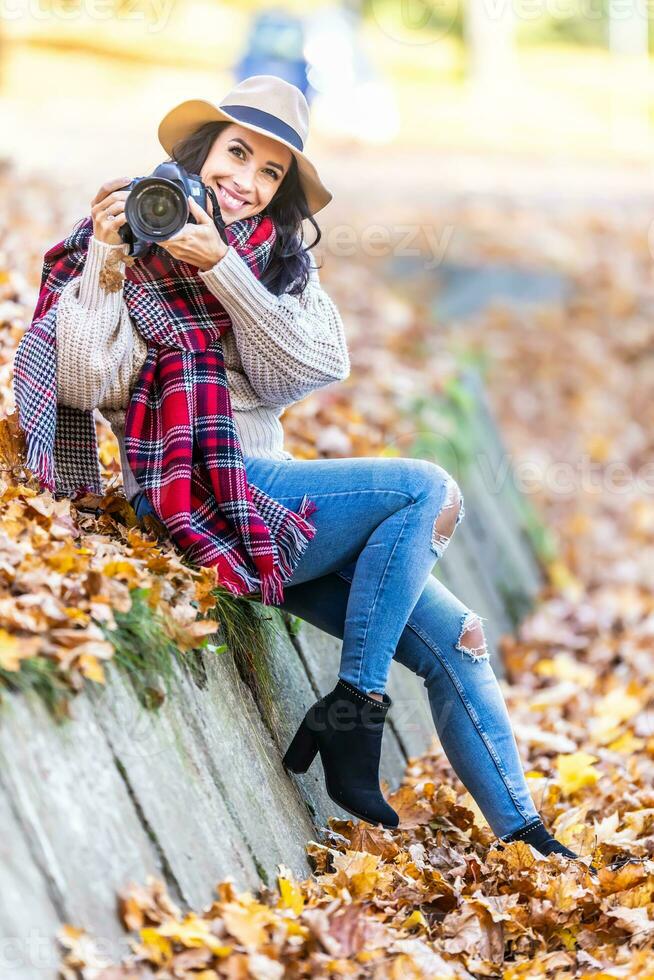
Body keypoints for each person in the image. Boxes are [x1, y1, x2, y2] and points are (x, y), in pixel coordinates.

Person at [28, 75, 581, 860]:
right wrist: (108, 265)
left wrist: (223, 267)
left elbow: (309, 366)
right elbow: (85, 381)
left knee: (458, 637)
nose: (245, 183)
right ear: (202, 152)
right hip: (187, 500)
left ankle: (531, 842)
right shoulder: (120, 248)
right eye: (236, 155)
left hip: (267, 511)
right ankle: (355, 708)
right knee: (425, 490)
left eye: (270, 173)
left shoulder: (275, 260)